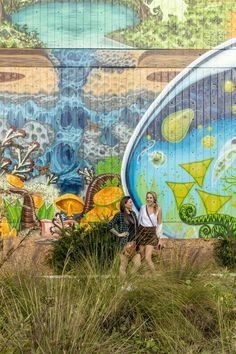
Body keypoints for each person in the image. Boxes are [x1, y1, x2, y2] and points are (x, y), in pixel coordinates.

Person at [108, 196, 141, 279]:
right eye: (130, 202)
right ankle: (124, 285)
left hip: (134, 244)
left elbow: (136, 228)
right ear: (125, 204)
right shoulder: (119, 215)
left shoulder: (133, 214)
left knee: (137, 264)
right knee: (123, 266)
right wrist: (119, 234)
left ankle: (129, 281)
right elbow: (109, 225)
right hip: (124, 244)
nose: (132, 203)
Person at [138, 191, 163, 272]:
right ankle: (145, 274)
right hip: (142, 232)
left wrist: (159, 238)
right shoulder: (142, 207)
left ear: (154, 199)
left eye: (151, 198)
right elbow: (139, 220)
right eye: (147, 197)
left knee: (147, 258)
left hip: (151, 233)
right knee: (142, 257)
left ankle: (155, 275)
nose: (149, 199)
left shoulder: (158, 209)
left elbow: (159, 224)